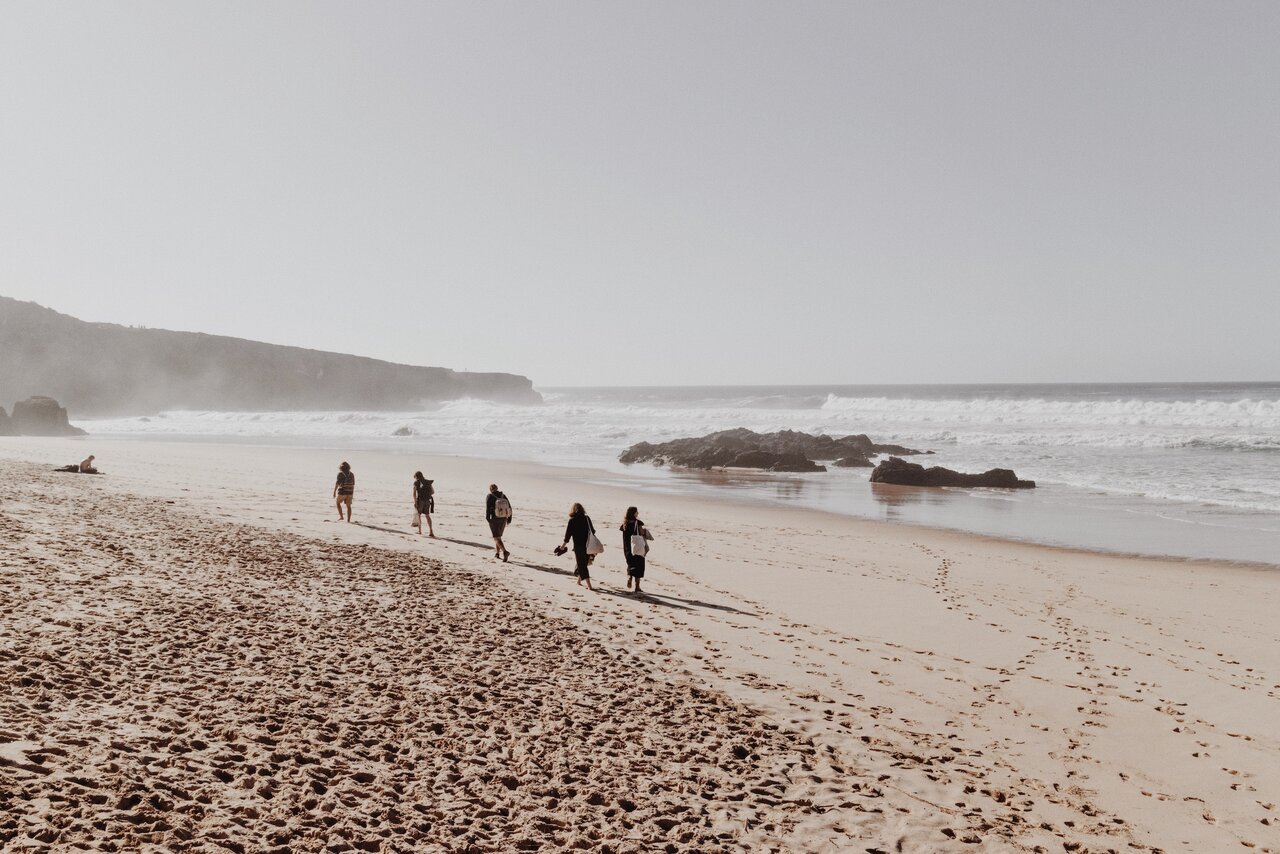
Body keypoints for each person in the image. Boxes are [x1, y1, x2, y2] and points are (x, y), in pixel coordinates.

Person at [562, 502, 597, 591]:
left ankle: (589, 585)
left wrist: (562, 546)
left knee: (582, 565)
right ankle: (578, 581)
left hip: (578, 546)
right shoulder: (587, 518)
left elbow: (567, 536)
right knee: (583, 563)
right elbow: (593, 531)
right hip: (588, 545)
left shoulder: (572, 520)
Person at [620, 506, 650, 594]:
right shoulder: (638, 522)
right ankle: (637, 587)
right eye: (637, 512)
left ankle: (630, 577)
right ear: (634, 513)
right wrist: (645, 532)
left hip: (627, 548)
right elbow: (641, 532)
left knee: (631, 564)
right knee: (639, 566)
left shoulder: (625, 524)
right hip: (637, 547)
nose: (638, 513)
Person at [485, 484, 512, 561]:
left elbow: (487, 509)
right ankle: (497, 553)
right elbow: (509, 507)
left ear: (490, 489)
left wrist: (488, 519)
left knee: (496, 537)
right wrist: (509, 518)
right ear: (497, 488)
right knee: (498, 537)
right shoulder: (503, 496)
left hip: (494, 519)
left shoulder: (489, 496)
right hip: (504, 518)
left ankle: (505, 552)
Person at [412, 471, 436, 537]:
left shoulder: (416, 483)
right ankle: (431, 531)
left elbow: (414, 494)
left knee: (419, 515)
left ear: (416, 476)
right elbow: (433, 492)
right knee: (427, 516)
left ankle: (420, 531)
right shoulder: (428, 482)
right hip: (428, 501)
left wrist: (415, 502)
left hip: (420, 500)